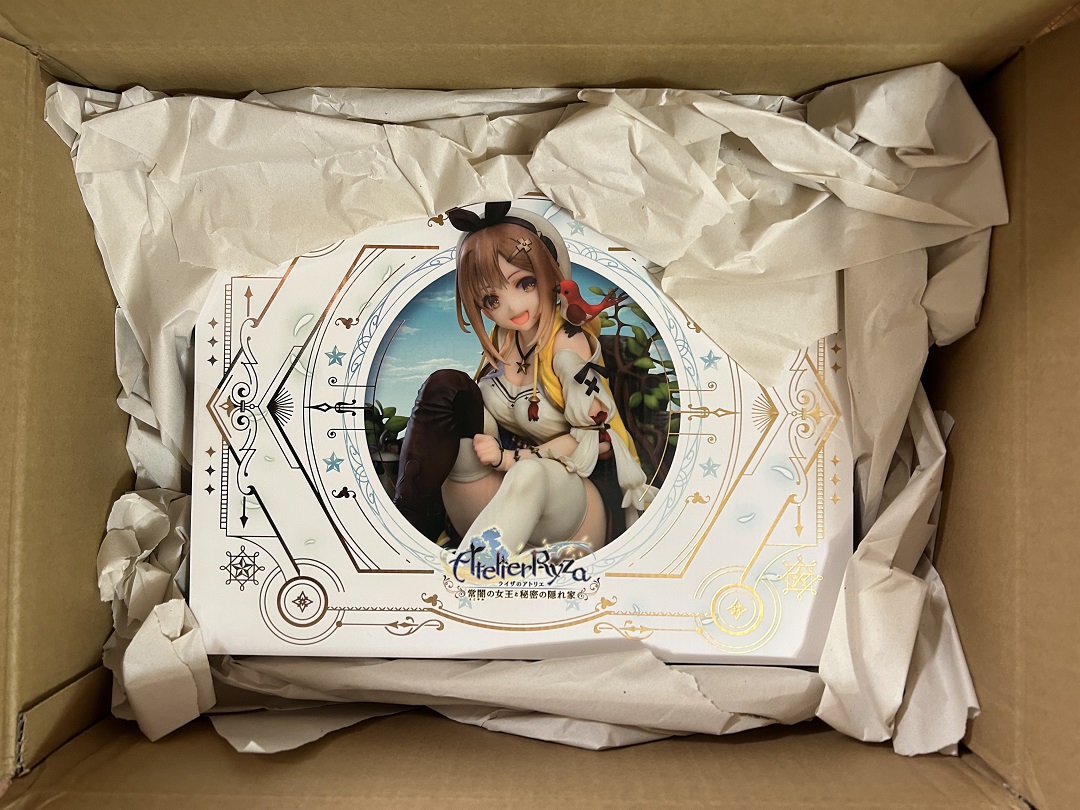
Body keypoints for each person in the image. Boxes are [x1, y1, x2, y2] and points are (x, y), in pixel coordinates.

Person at [393, 202, 654, 562]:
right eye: (491, 299)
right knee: (446, 388)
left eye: (525, 283)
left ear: (549, 273)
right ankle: (405, 530)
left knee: (530, 472)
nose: (512, 307)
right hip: (500, 503)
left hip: (568, 504)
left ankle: (471, 572)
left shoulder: (568, 346)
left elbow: (596, 442)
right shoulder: (505, 338)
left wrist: (509, 458)